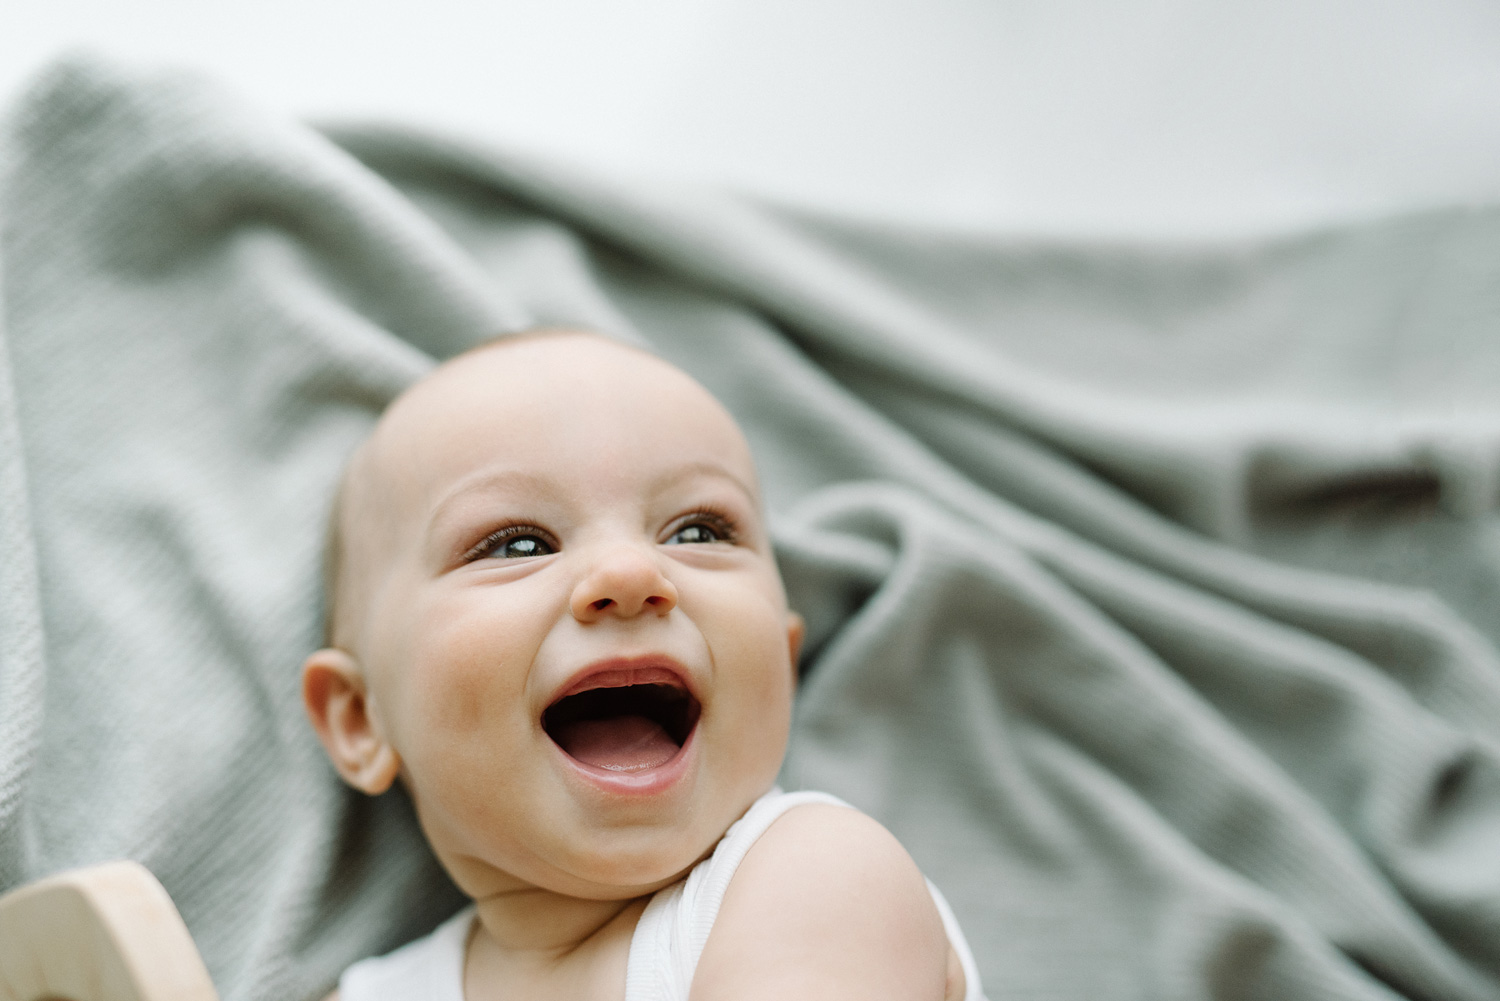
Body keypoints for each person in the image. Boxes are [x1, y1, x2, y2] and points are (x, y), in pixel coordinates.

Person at [301, 330, 986, 1001]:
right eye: (516, 544)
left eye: (698, 531)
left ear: (784, 661)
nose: (630, 572)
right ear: (361, 718)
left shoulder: (817, 877)